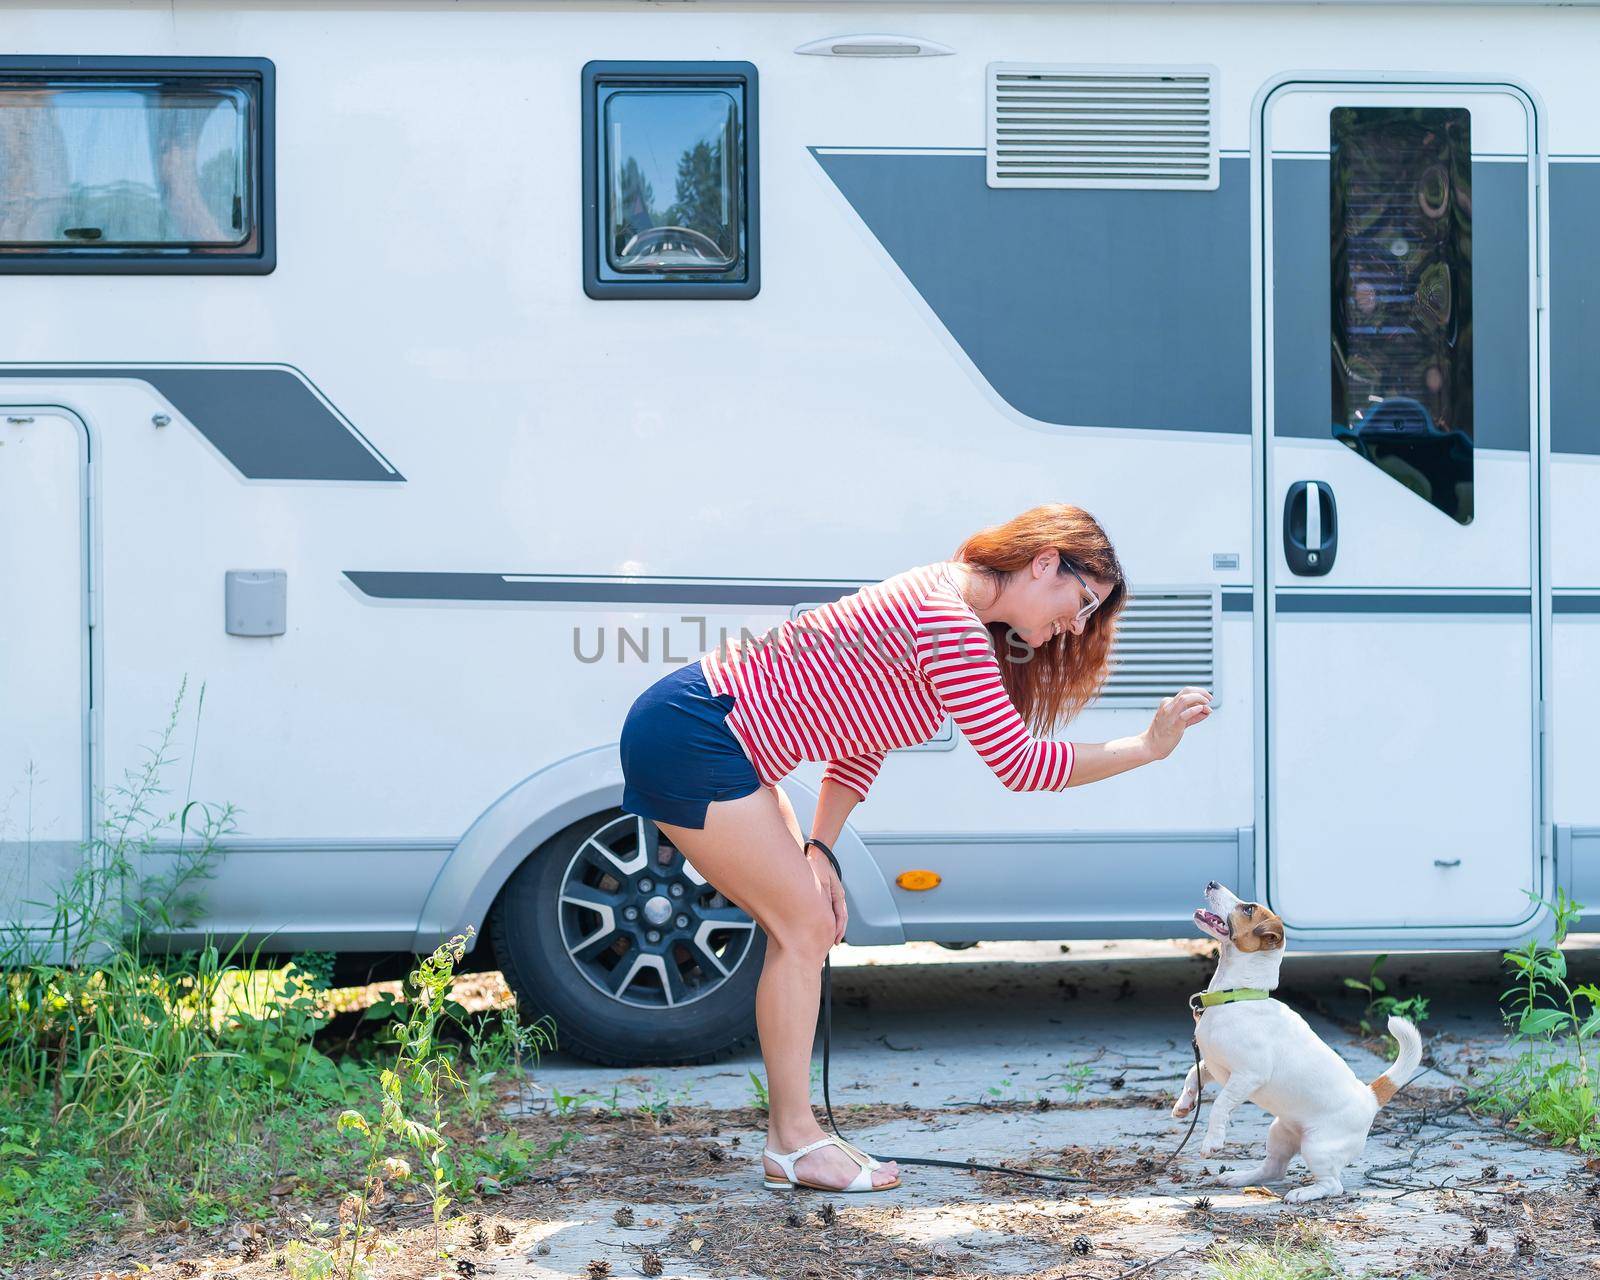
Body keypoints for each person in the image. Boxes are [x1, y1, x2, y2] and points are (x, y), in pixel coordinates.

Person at [618, 504, 1213, 1192]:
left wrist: (820, 850)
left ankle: (794, 1138)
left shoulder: (957, 611)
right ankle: (792, 1142)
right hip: (695, 733)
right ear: (1046, 560)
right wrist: (1147, 748)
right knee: (804, 927)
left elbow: (860, 739)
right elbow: (1020, 767)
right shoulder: (948, 619)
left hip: (719, 739)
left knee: (809, 923)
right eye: (1081, 603)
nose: (1077, 626)